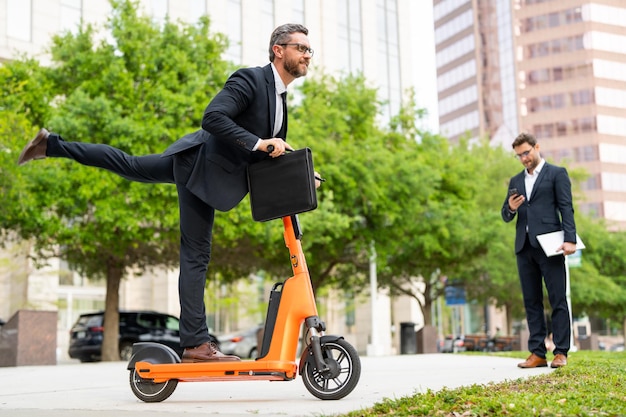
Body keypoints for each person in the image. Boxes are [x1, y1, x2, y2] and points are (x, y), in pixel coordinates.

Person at [17, 23, 316, 363]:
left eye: (310, 50)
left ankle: (51, 145)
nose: (308, 55)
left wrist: (301, 170)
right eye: (301, 48)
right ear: (279, 50)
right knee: (196, 254)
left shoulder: (279, 98)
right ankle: (195, 344)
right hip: (200, 168)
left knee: (129, 164)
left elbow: (266, 153)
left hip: (198, 163)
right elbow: (213, 117)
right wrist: (259, 142)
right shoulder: (250, 79)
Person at [501, 132, 577, 369]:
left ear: (536, 147)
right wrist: (511, 209)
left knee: (557, 299)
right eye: (519, 155)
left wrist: (570, 240)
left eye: (526, 152)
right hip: (524, 247)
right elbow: (505, 214)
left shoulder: (557, 173)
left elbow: (566, 208)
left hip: (551, 246)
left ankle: (561, 352)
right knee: (531, 301)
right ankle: (537, 353)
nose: (524, 158)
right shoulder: (515, 180)